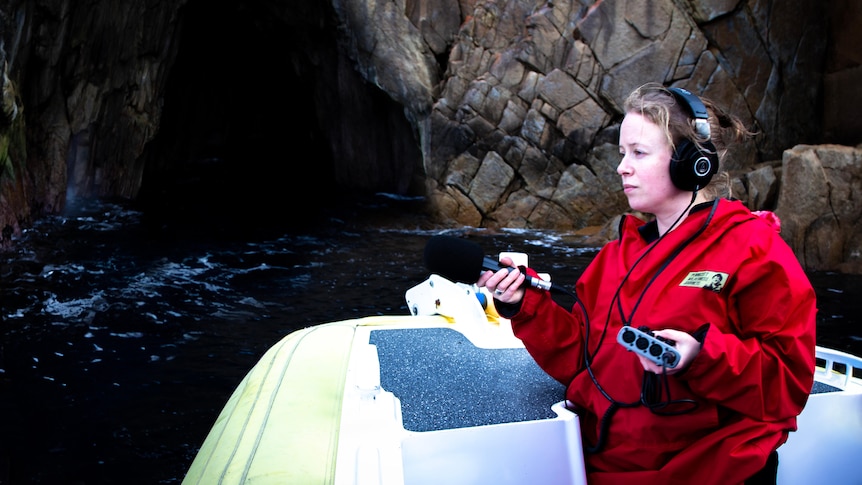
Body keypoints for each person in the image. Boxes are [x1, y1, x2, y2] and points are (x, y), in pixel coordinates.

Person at [478, 82, 817, 485]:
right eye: (622, 154)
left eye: (639, 153)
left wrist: (700, 357)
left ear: (692, 163)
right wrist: (523, 304)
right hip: (604, 470)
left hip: (714, 471)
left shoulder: (753, 248)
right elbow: (581, 360)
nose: (622, 167)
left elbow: (789, 382)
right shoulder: (616, 256)